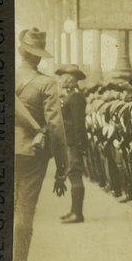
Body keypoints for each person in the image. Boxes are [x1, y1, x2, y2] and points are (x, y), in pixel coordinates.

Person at [14, 28, 66, 261]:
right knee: (25, 209)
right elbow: (55, 126)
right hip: (32, 152)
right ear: (40, 56)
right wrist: (62, 166)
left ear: (20, 51)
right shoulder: (46, 83)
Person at [55, 64, 88, 224]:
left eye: (63, 78)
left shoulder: (75, 97)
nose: (60, 81)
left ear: (70, 80)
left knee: (75, 174)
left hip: (73, 143)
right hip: (68, 142)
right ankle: (73, 211)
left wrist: (77, 146)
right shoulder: (69, 96)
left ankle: (77, 214)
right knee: (72, 174)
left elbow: (78, 125)